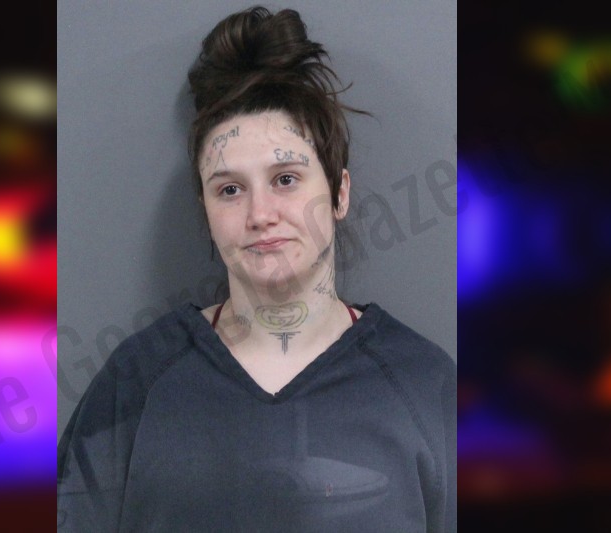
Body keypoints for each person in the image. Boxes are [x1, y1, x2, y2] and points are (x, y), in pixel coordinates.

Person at [57, 6, 455, 532]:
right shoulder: (136, 383)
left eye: (286, 179)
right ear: (205, 211)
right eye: (229, 189)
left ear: (339, 193)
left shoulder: (426, 387)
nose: (260, 214)